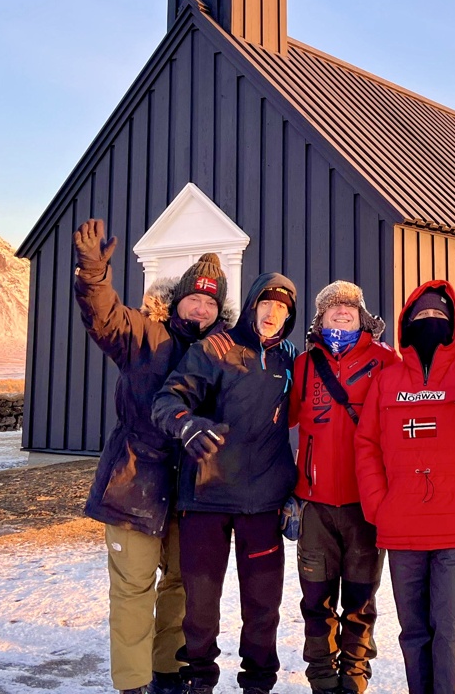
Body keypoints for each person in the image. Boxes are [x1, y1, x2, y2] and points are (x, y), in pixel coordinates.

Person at [73, 218, 232, 694]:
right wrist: (94, 274)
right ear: (177, 299)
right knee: (133, 589)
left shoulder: (222, 353)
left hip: (191, 494)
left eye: (210, 301)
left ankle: (167, 672)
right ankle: (133, 682)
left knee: (181, 588)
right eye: (193, 297)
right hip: (134, 484)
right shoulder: (142, 335)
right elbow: (103, 316)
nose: (200, 308)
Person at [354, 280, 455, 694]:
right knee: (415, 633)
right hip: (402, 527)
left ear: (453, 325)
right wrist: (378, 505)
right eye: (421, 317)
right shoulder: (387, 380)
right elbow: (367, 444)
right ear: (407, 325)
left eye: (438, 318)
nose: (430, 323)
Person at [151, 273, 299, 694]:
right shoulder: (212, 349)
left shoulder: (290, 358)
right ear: (252, 304)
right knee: (200, 604)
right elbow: (167, 400)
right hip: (207, 496)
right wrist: (188, 426)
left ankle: (258, 682)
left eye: (283, 307)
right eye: (266, 303)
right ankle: (199, 677)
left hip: (265, 499)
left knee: (263, 604)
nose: (273, 313)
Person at [289, 281, 400, 694]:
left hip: (366, 505)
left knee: (359, 602)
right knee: (315, 602)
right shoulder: (303, 364)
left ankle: (354, 677)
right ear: (320, 318)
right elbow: (279, 418)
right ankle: (321, 678)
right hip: (316, 505)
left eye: (349, 307)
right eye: (332, 306)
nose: (341, 312)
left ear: (361, 316)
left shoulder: (385, 360)